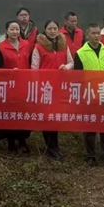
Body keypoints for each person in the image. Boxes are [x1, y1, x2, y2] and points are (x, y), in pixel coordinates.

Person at [32, 19, 74, 160]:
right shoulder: (39, 47)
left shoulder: (63, 45)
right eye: (49, 28)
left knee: (55, 116)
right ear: (45, 30)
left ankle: (55, 145)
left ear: (58, 29)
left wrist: (66, 67)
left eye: (54, 28)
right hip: (45, 88)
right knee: (47, 117)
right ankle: (50, 147)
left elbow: (71, 62)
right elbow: (34, 68)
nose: (52, 30)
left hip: (60, 87)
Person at [74, 23, 104, 166]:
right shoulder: (80, 53)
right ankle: (90, 155)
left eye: (98, 33)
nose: (96, 36)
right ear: (87, 35)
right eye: (93, 33)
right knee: (89, 126)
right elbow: (77, 77)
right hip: (88, 94)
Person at [0, 20, 31, 153]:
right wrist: (9, 73)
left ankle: (22, 140)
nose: (15, 32)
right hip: (9, 87)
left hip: (25, 86)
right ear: (7, 31)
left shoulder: (26, 45)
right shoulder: (1, 47)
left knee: (24, 113)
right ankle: (11, 142)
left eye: (17, 29)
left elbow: (31, 64)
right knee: (11, 114)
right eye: (12, 29)